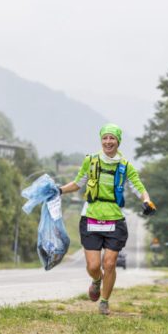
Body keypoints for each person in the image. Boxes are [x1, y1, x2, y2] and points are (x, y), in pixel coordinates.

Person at [57, 123, 155, 315]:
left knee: (109, 263)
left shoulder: (125, 166)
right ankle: (96, 280)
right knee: (94, 266)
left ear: (118, 141)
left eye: (112, 138)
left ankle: (104, 301)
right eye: (105, 138)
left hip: (115, 219)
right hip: (91, 216)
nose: (108, 142)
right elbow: (78, 184)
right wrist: (59, 190)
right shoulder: (91, 161)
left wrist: (147, 200)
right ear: (101, 140)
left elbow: (138, 187)